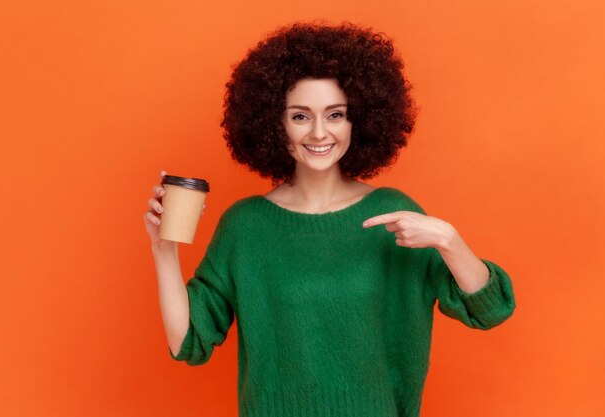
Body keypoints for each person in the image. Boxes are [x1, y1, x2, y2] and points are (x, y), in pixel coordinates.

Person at [143, 21, 516, 417]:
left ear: (359, 120)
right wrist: (163, 249)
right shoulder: (245, 226)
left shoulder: (393, 216)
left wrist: (449, 240)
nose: (320, 132)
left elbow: (489, 311)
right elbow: (189, 343)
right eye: (300, 116)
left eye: (335, 114)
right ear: (275, 123)